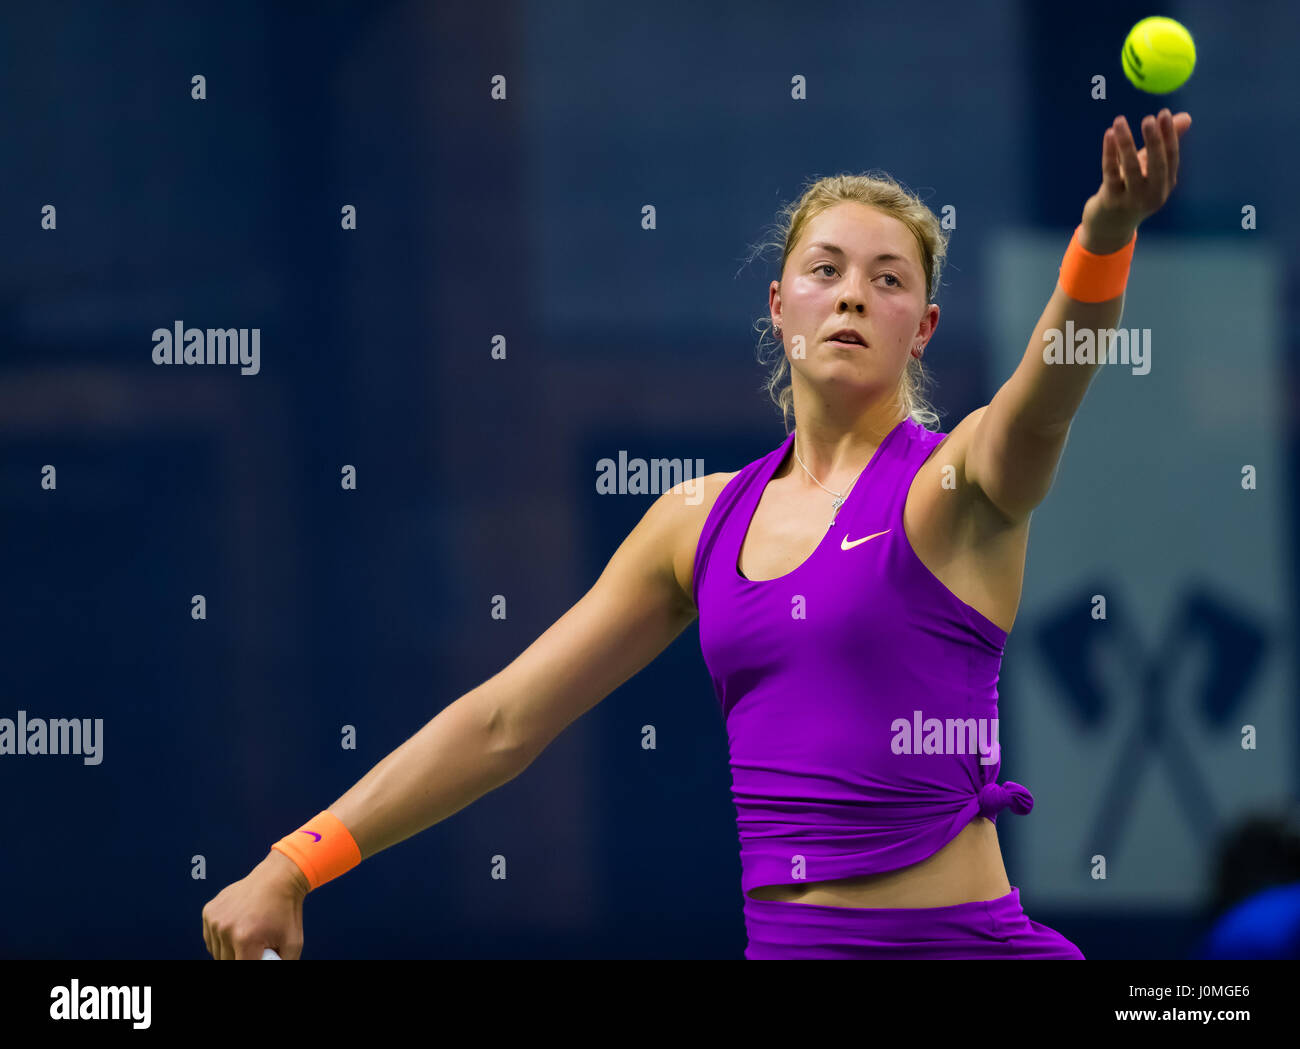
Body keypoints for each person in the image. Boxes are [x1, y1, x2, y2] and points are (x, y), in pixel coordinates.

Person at [202, 107, 1191, 960]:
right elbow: (505, 721)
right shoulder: (693, 522)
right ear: (778, 306)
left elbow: (1046, 399)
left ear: (922, 327)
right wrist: (296, 859)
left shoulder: (953, 481)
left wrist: (1104, 232)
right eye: (824, 268)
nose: (852, 292)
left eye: (889, 280)